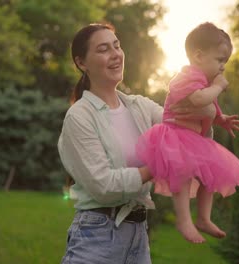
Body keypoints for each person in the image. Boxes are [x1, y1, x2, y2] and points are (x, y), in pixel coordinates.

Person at [58, 23, 216, 263]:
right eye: (103, 49)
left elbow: (186, 135)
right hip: (96, 238)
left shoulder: (140, 107)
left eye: (117, 46)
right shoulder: (80, 116)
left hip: (138, 236)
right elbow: (103, 185)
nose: (115, 54)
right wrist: (155, 166)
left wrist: (206, 109)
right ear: (82, 63)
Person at [136, 22, 239, 244]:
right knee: (183, 177)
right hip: (176, 137)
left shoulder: (204, 80)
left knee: (210, 178)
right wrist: (218, 87)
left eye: (225, 61)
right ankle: (184, 220)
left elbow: (208, 106)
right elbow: (198, 99)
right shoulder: (187, 76)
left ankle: (203, 219)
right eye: (220, 60)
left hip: (198, 140)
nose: (223, 67)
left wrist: (220, 118)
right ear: (198, 56)